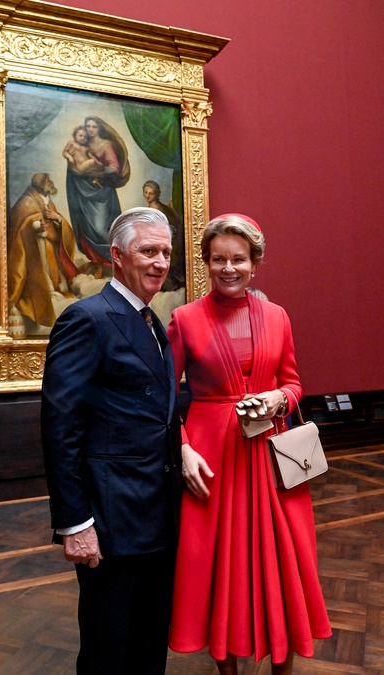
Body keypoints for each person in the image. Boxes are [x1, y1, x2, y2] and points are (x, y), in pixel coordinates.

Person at [167, 214, 331, 674]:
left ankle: (283, 663)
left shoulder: (277, 316)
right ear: (206, 262)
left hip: (272, 457)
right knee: (220, 563)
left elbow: (293, 383)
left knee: (285, 559)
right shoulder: (184, 319)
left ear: (254, 263)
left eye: (238, 259)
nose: (228, 268)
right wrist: (183, 449)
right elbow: (164, 397)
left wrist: (280, 398)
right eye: (218, 259)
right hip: (211, 459)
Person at [41, 207, 182, 675]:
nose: (160, 262)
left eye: (166, 252)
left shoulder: (151, 320)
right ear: (117, 256)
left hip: (157, 515)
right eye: (148, 251)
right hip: (111, 521)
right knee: (108, 650)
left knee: (149, 644)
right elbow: (60, 427)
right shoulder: (88, 318)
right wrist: (74, 523)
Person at [8, 173, 81, 331]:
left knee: (54, 277)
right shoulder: (26, 203)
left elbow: (59, 228)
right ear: (41, 185)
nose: (51, 182)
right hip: (34, 251)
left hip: (49, 248)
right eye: (48, 181)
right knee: (42, 278)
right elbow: (21, 224)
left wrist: (58, 219)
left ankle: (54, 291)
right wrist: (36, 226)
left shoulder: (48, 202)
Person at [65, 115, 130, 275]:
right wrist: (73, 165)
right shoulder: (82, 143)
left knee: (101, 229)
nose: (90, 130)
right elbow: (74, 162)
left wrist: (98, 173)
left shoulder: (106, 145)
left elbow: (114, 168)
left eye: (94, 126)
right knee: (86, 227)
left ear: (99, 128)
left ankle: (114, 263)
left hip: (102, 194)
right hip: (84, 194)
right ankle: (98, 263)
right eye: (88, 126)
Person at [142, 180, 186, 292]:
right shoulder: (164, 207)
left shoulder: (154, 210)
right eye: (145, 192)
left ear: (157, 194)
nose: (147, 196)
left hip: (163, 246)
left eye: (151, 193)